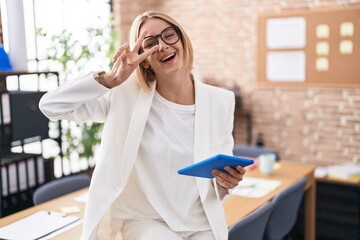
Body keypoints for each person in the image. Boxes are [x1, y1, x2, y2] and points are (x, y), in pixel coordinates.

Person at [39, 10, 247, 240]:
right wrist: (110, 79)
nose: (162, 46)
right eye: (149, 43)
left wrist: (226, 183)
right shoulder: (124, 96)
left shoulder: (221, 101)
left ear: (182, 40)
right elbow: (51, 106)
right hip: (146, 221)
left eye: (169, 35)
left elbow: (218, 179)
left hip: (201, 221)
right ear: (144, 59)